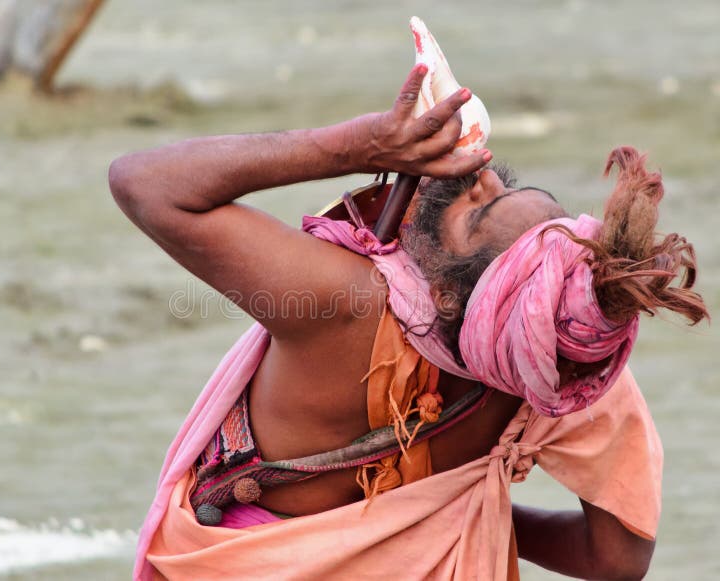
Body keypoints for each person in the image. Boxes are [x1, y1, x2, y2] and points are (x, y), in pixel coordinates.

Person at [109, 64, 708, 580]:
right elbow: (618, 559)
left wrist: (361, 145)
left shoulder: (347, 303)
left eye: (481, 209)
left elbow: (146, 183)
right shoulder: (564, 368)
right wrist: (453, 504)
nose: (483, 177)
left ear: (448, 298)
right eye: (508, 186)